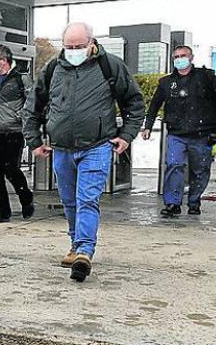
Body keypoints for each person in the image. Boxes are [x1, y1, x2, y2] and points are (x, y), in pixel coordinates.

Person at [24, 22, 145, 282]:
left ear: (92, 44)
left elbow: (134, 102)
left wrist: (126, 136)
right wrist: (34, 140)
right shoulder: (53, 68)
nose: (73, 51)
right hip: (62, 147)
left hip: (97, 145)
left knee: (87, 198)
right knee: (69, 200)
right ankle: (75, 244)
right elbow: (33, 106)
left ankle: (85, 251)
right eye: (69, 47)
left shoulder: (109, 66)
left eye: (79, 47)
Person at [141, 44, 215, 217]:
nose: (179, 59)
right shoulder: (166, 83)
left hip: (202, 134)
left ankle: (194, 201)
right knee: (174, 166)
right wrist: (148, 126)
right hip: (176, 134)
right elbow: (154, 105)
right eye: (176, 57)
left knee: (200, 170)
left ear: (191, 57)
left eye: (183, 55)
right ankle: (172, 203)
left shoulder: (206, 78)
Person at [0, 45, 36, 224]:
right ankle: (1, 211)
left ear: (4, 61)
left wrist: (20, 116)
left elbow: (32, 101)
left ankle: (26, 199)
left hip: (13, 131)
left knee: (11, 168)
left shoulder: (21, 79)